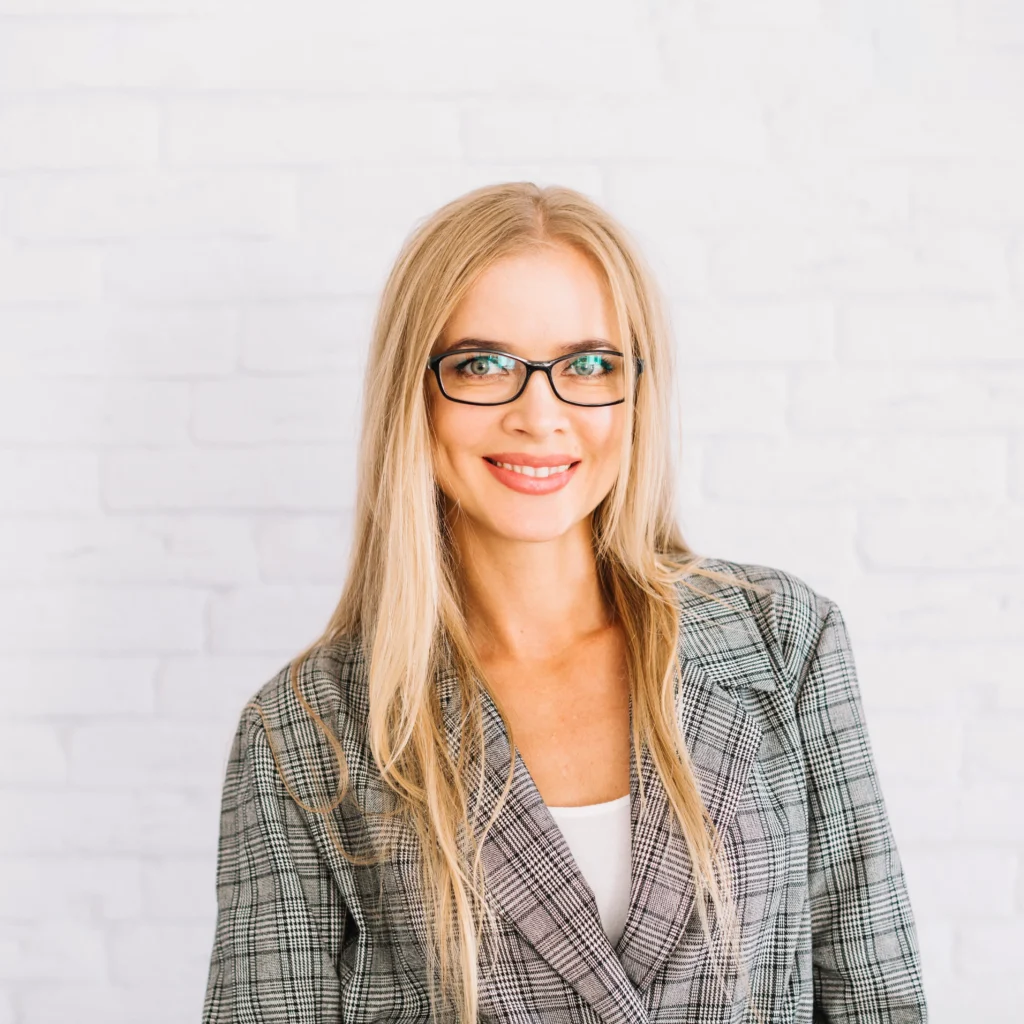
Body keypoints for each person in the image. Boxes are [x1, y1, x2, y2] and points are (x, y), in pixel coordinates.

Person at [201, 182, 928, 1023]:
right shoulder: (305, 731)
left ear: (634, 391)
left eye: (588, 365)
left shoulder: (780, 640)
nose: (540, 416)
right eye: (482, 364)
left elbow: (877, 995)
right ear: (416, 393)